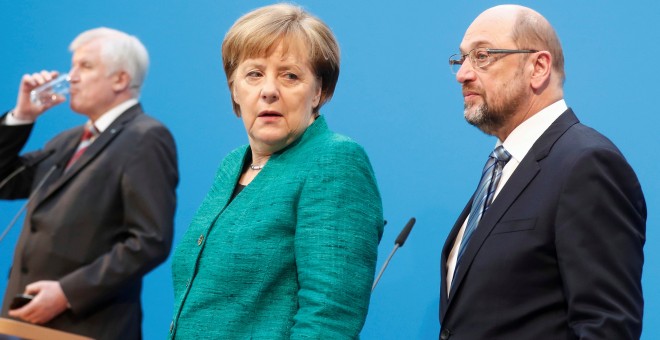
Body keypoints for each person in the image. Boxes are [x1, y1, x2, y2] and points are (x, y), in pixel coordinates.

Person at [168, 3, 383, 339]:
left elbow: (330, 318)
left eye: (290, 75)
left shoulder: (334, 160)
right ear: (235, 89)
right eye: (254, 74)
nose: (269, 90)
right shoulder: (231, 165)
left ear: (319, 92)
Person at [440, 5, 646, 339]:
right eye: (461, 59)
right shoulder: (501, 166)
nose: (463, 74)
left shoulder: (587, 164)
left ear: (538, 67)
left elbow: (606, 326)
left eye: (482, 55)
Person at [0, 27, 178, 339]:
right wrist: (21, 116)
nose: (71, 78)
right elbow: (5, 181)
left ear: (121, 79)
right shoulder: (67, 141)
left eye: (85, 66)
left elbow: (149, 241)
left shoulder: (145, 138)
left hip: (86, 328)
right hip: (21, 325)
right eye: (72, 66)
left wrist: (66, 293)